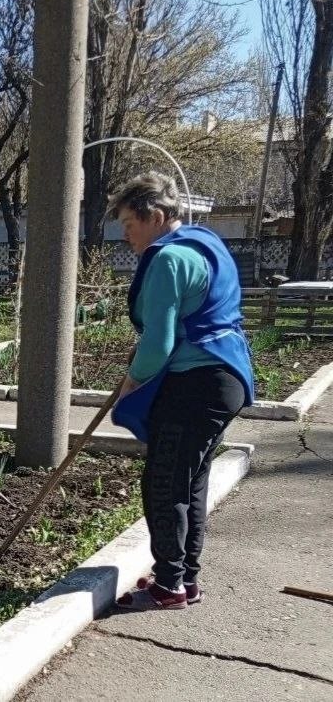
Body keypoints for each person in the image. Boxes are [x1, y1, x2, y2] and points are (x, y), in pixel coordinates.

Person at [107, 172, 254, 610]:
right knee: (190, 482)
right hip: (226, 378)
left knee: (164, 482)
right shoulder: (204, 243)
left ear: (154, 216)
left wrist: (131, 382)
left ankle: (168, 586)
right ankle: (185, 579)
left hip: (195, 384)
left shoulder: (169, 259)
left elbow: (158, 343)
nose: (126, 235)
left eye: (129, 224)